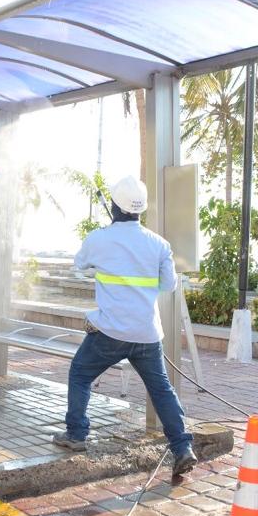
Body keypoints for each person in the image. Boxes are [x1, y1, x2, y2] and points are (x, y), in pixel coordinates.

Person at [53, 176, 197, 477]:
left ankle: (76, 435)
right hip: (146, 334)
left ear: (115, 208)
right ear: (140, 209)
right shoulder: (159, 244)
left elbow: (79, 264)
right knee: (161, 389)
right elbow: (169, 285)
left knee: (80, 372)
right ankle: (182, 447)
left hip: (110, 332)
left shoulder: (99, 239)